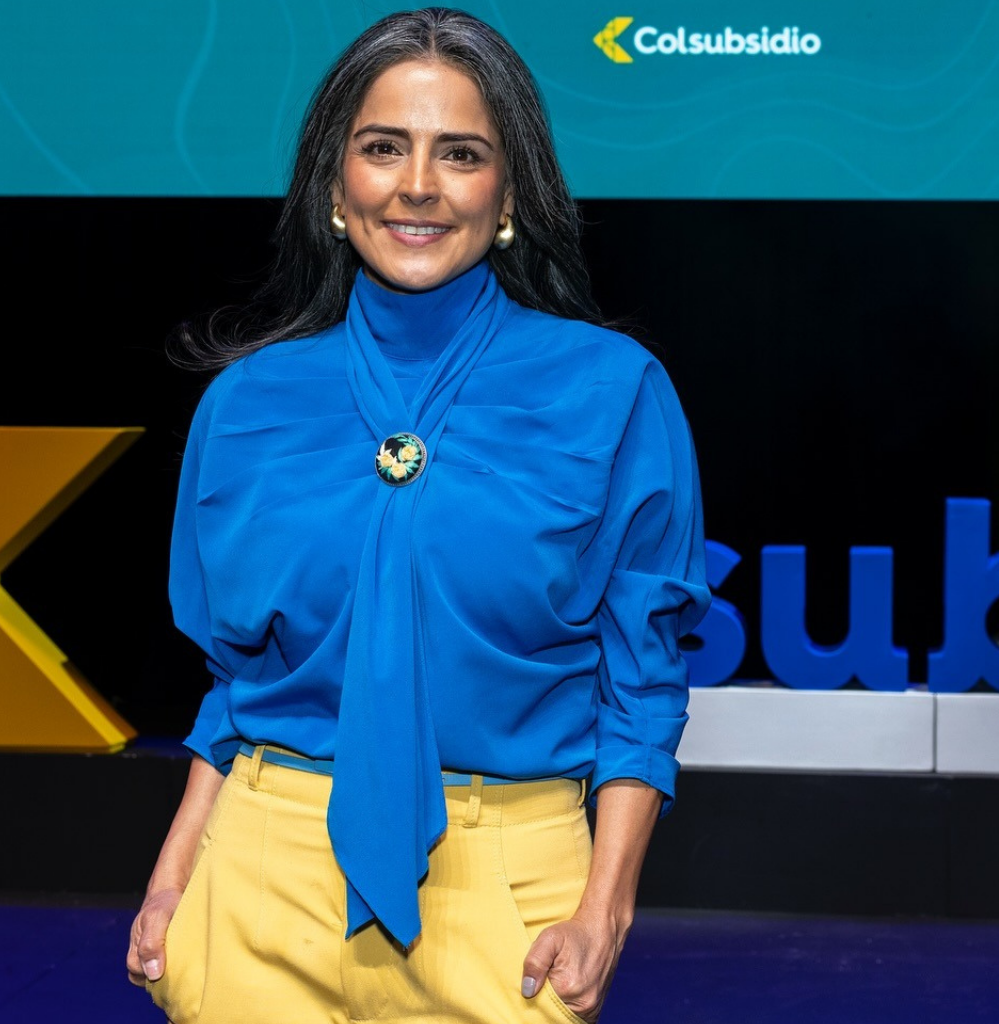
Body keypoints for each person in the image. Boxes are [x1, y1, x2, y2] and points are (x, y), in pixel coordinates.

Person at [124, 9, 709, 1023]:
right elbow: (234, 684)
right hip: (257, 882)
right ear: (334, 185)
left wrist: (606, 906)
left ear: (511, 190)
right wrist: (176, 875)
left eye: (463, 154)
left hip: (510, 904)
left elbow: (643, 682)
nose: (418, 185)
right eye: (383, 147)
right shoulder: (248, 402)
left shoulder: (613, 391)